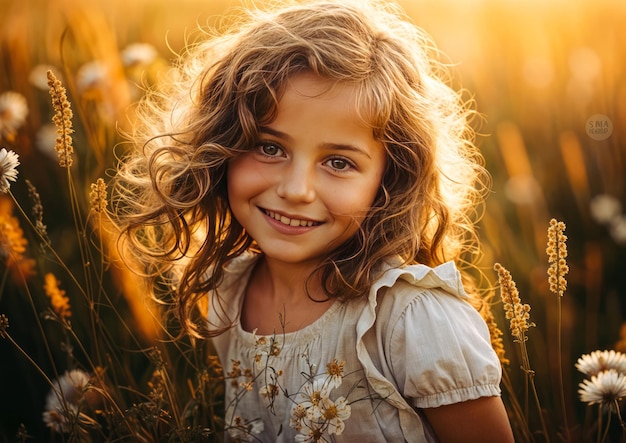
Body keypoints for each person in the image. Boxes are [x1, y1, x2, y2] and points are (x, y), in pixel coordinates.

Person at [112, 0, 514, 441]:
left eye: (338, 162)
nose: (297, 189)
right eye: (269, 147)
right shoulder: (228, 289)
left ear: (388, 179)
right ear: (221, 144)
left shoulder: (409, 319)